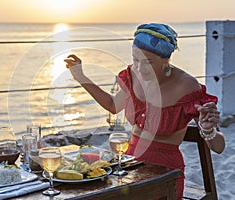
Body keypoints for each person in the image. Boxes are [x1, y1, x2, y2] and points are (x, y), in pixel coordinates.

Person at [64, 23, 225, 199]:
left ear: (166, 59)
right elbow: (112, 105)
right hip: (127, 166)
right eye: (136, 59)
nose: (139, 68)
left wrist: (208, 130)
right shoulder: (133, 75)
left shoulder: (186, 86)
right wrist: (81, 77)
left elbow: (219, 147)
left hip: (166, 174)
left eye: (148, 62)